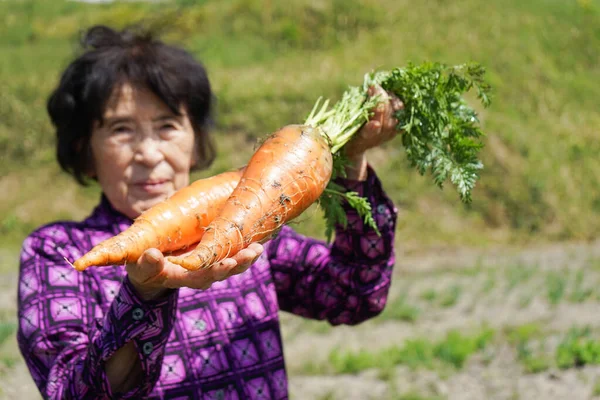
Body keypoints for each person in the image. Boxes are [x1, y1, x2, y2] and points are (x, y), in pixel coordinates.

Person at [16, 24, 401, 399]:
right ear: (85, 150)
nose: (149, 155)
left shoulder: (251, 228)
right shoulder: (58, 252)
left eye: (167, 126)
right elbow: (70, 392)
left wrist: (352, 163)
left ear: (196, 142)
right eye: (121, 130)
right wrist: (142, 295)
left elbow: (353, 294)